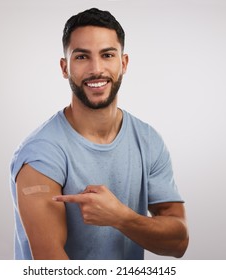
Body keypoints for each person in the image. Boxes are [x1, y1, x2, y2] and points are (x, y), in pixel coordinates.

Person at [10, 7, 189, 260]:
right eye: (82, 57)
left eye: (107, 55)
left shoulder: (148, 141)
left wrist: (120, 217)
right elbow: (50, 266)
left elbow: (178, 242)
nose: (96, 69)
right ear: (65, 67)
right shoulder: (41, 154)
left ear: (123, 63)